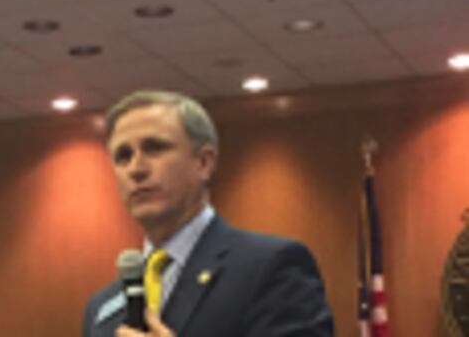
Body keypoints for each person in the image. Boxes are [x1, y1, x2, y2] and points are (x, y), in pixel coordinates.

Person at [82, 90, 333, 337]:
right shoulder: (102, 308)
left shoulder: (270, 267)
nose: (136, 169)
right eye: (123, 156)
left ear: (204, 162)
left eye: (154, 148)